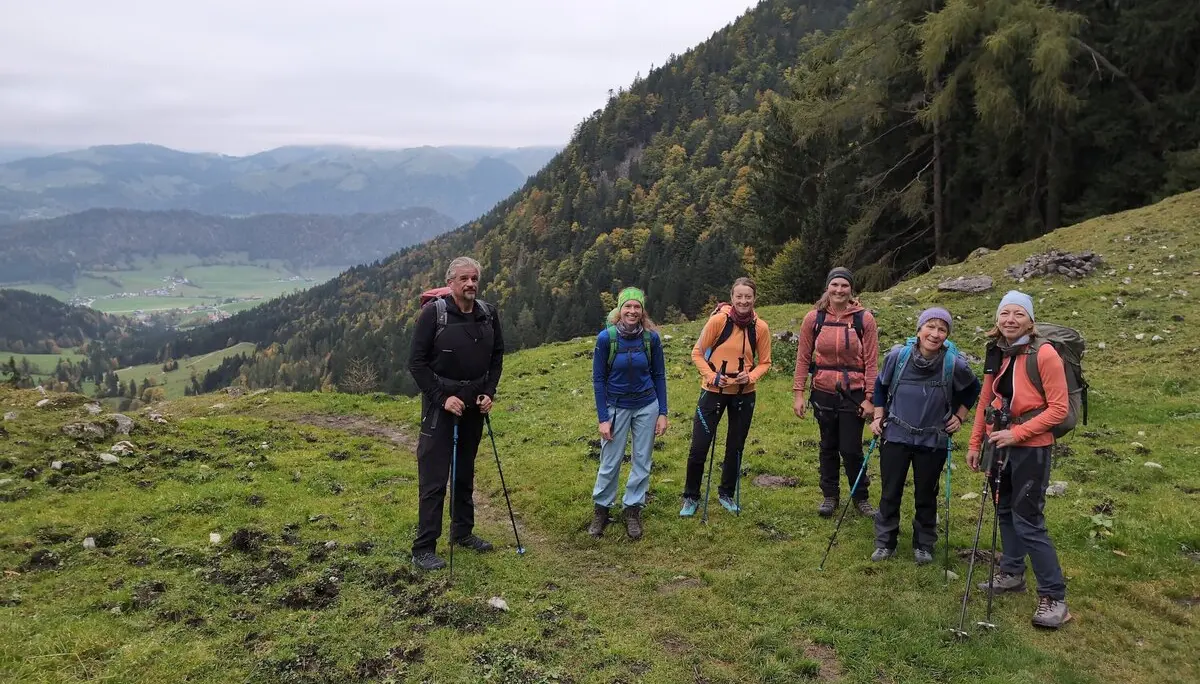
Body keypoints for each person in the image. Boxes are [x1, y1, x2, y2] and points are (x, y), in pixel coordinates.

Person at [967, 290, 1072, 629]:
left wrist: (1018, 434)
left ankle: (1055, 597)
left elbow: (1059, 409)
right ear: (997, 319)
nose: (1010, 320)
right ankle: (1012, 573)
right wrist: (975, 443)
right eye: (1005, 314)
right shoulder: (996, 351)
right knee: (1004, 510)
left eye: (1018, 314)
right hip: (999, 442)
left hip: (1031, 447)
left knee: (1028, 519)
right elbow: (986, 399)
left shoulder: (1044, 354)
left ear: (1030, 319)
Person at [407, 256, 505, 571]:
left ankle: (462, 532)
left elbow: (497, 356)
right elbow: (417, 363)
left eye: (474, 278)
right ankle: (423, 548)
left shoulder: (488, 315)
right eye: (464, 278)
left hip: (473, 407)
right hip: (441, 409)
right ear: (451, 282)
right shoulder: (432, 315)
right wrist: (441, 398)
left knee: (464, 472)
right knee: (434, 478)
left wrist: (488, 393)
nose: (470, 284)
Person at [870, 307, 980, 563]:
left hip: (933, 439)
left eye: (942, 329)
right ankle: (885, 542)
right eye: (930, 326)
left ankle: (924, 544)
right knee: (890, 490)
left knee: (927, 494)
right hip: (896, 434)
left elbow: (973, 387)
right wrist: (878, 416)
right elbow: (880, 384)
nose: (935, 333)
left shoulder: (954, 363)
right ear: (919, 330)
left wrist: (959, 416)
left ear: (947, 335)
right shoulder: (898, 357)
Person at [793, 267, 880, 518]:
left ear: (851, 289)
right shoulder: (814, 319)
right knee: (828, 445)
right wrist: (798, 393)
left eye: (844, 286)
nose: (839, 290)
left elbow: (872, 362)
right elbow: (803, 358)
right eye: (835, 285)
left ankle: (860, 496)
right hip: (823, 390)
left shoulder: (864, 319)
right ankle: (830, 496)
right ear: (828, 288)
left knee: (851, 448)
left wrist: (870, 398)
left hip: (854, 393)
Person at [681, 277, 772, 516]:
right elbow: (697, 353)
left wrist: (750, 377)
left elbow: (765, 362)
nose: (743, 301)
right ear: (732, 298)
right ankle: (690, 497)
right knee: (699, 447)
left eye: (748, 297)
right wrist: (711, 376)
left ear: (754, 298)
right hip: (713, 392)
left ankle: (726, 493)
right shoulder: (718, 321)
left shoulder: (760, 327)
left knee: (736, 447)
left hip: (744, 394)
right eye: (739, 296)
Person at [588, 287, 669, 539]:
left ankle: (632, 509)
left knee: (642, 460)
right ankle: (602, 509)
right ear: (619, 310)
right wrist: (603, 418)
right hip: (616, 407)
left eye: (637, 307)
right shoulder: (606, 338)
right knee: (610, 461)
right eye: (628, 307)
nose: (632, 311)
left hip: (647, 405)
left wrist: (662, 412)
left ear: (642, 311)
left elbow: (659, 375)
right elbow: (598, 380)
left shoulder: (650, 339)